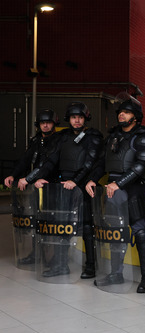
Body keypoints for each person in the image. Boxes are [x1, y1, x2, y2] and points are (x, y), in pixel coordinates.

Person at [23, 102, 103, 278]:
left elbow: (89, 163)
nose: (76, 120)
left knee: (87, 227)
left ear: (85, 118)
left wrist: (75, 181)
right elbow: (52, 160)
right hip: (63, 186)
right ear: (69, 119)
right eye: (74, 117)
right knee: (63, 226)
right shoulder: (63, 136)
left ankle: (91, 266)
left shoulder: (93, 136)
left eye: (80, 117)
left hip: (81, 185)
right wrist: (39, 177)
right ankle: (61, 265)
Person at [86, 94, 145, 293]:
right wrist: (92, 178)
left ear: (136, 116)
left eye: (126, 112)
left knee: (140, 230)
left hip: (133, 187)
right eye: (120, 112)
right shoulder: (113, 136)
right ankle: (115, 273)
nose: (122, 115)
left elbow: (141, 166)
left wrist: (119, 183)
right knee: (115, 231)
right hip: (112, 188)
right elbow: (102, 163)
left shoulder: (143, 135)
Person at [6, 109, 60, 266]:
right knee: (37, 221)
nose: (45, 125)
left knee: (53, 224)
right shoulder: (36, 141)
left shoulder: (58, 140)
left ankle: (55, 259)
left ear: (54, 124)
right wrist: (13, 175)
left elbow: (48, 164)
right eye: (42, 123)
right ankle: (36, 255)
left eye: (48, 122)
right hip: (37, 187)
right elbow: (25, 160)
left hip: (53, 187)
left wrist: (28, 178)